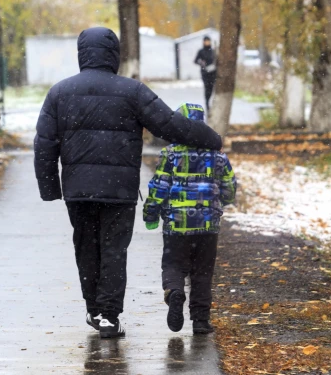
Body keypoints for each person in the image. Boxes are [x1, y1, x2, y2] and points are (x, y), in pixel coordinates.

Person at [34, 27, 223, 339]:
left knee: (86, 248)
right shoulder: (132, 91)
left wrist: (50, 187)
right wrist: (210, 138)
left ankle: (94, 308)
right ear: (114, 55)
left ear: (82, 53)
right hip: (119, 191)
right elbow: (170, 125)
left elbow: (44, 144)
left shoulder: (60, 92)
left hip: (78, 191)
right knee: (113, 251)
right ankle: (108, 314)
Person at [143, 103, 236, 334]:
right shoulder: (218, 156)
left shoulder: (171, 154)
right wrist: (218, 203)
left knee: (174, 264)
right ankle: (201, 321)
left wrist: (151, 212)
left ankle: (175, 292)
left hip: (177, 223)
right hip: (208, 225)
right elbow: (230, 187)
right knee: (202, 272)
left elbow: (159, 186)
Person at [194, 36, 217, 111]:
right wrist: (201, 63)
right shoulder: (201, 51)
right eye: (206, 41)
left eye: (208, 41)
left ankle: (210, 101)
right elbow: (195, 60)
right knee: (207, 87)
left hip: (212, 72)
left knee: (211, 87)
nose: (207, 42)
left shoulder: (213, 51)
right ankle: (207, 103)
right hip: (205, 73)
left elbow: (216, 60)